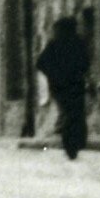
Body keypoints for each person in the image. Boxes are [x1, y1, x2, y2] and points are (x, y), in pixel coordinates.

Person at [36, 15, 90, 161]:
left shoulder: (54, 43)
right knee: (77, 113)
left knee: (67, 112)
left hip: (59, 86)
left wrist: (53, 74)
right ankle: (76, 143)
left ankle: (69, 143)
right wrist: (80, 73)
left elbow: (40, 63)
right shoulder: (78, 42)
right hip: (76, 84)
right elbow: (86, 61)